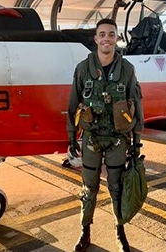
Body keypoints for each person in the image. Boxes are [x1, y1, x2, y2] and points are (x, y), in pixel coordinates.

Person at [66, 18, 144, 252]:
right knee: (89, 188)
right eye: (102, 34)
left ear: (116, 38)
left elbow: (136, 104)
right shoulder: (83, 68)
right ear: (96, 38)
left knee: (116, 187)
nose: (107, 38)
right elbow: (73, 104)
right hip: (91, 138)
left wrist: (136, 141)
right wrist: (72, 137)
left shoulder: (127, 69)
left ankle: (120, 233)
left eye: (111, 34)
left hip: (117, 139)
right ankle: (85, 231)